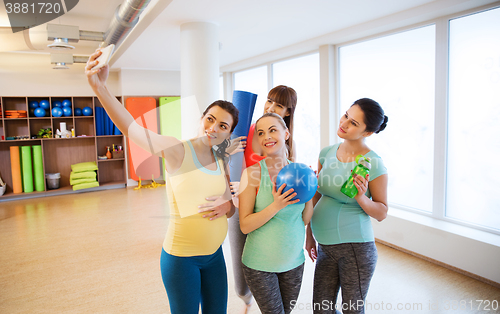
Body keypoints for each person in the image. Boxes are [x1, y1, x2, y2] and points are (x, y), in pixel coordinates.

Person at [85, 48, 237, 314]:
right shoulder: (177, 149)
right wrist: (100, 88)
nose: (214, 128)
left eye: (223, 126)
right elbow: (132, 129)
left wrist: (228, 206)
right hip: (182, 260)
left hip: (214, 257)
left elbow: (230, 207)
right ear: (202, 119)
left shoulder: (221, 159)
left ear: (228, 133)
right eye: (210, 119)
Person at [305, 98, 388, 314]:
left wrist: (361, 197)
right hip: (325, 246)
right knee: (321, 309)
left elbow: (382, 212)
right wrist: (308, 234)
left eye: (353, 123)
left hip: (356, 248)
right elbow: (316, 194)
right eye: (345, 116)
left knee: (352, 310)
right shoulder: (326, 152)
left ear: (367, 132)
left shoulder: (374, 163)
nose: (344, 123)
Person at [228, 86, 298, 312]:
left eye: (278, 105)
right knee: (241, 284)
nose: (270, 107)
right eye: (269, 101)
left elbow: (289, 174)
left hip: (273, 208)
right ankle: (247, 300)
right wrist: (225, 153)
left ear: (287, 112)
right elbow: (221, 161)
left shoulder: (286, 141)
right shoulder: (249, 130)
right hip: (243, 205)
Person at [237, 113, 314, 314]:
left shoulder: (299, 171)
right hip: (259, 265)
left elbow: (304, 219)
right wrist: (275, 205)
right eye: (261, 133)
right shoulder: (252, 174)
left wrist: (311, 191)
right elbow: (244, 225)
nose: (266, 137)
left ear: (286, 133)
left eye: (273, 130)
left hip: (294, 262)